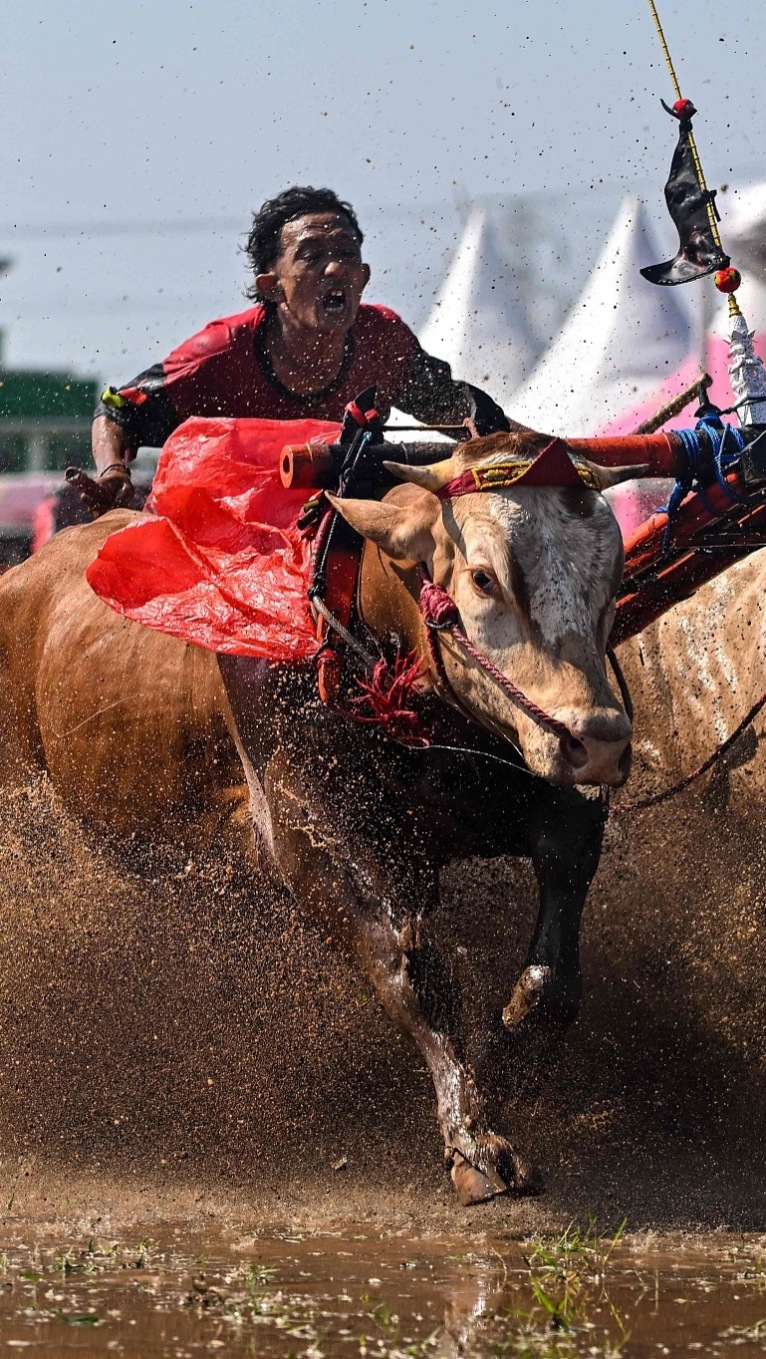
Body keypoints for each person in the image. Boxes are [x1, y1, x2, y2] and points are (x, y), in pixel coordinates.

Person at [91, 186, 509, 508]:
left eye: (347, 253)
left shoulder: (383, 340)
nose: (335, 268)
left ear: (362, 277)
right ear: (272, 287)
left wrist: (546, 453)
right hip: (235, 532)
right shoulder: (221, 351)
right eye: (311, 255)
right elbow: (116, 410)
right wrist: (112, 470)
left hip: (341, 524)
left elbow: (466, 414)